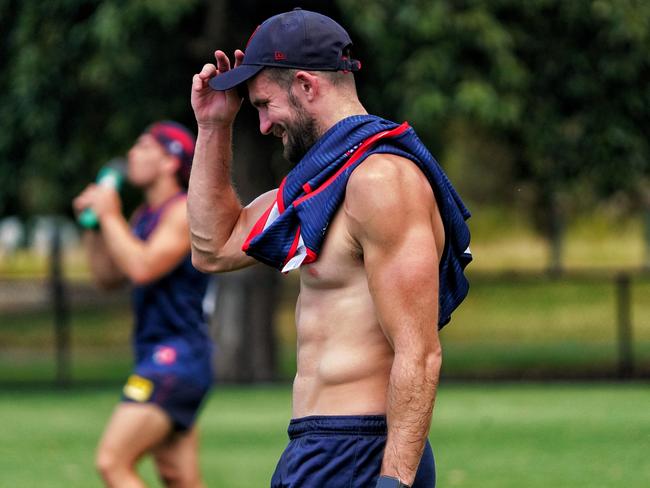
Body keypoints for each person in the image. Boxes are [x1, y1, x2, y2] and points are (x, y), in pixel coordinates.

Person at [189, 8, 471, 488]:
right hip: (316, 447)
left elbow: (419, 352)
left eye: (262, 105)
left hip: (359, 451)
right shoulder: (322, 183)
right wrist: (214, 127)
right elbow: (212, 247)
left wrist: (393, 482)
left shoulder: (382, 182)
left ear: (305, 85)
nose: (261, 125)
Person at [73, 121, 213, 488]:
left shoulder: (182, 211)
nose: (132, 154)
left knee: (112, 462)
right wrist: (93, 227)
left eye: (144, 146)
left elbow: (143, 267)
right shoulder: (143, 217)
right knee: (178, 477)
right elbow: (108, 278)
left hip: (175, 358)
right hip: (160, 354)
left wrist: (108, 215)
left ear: (170, 162)